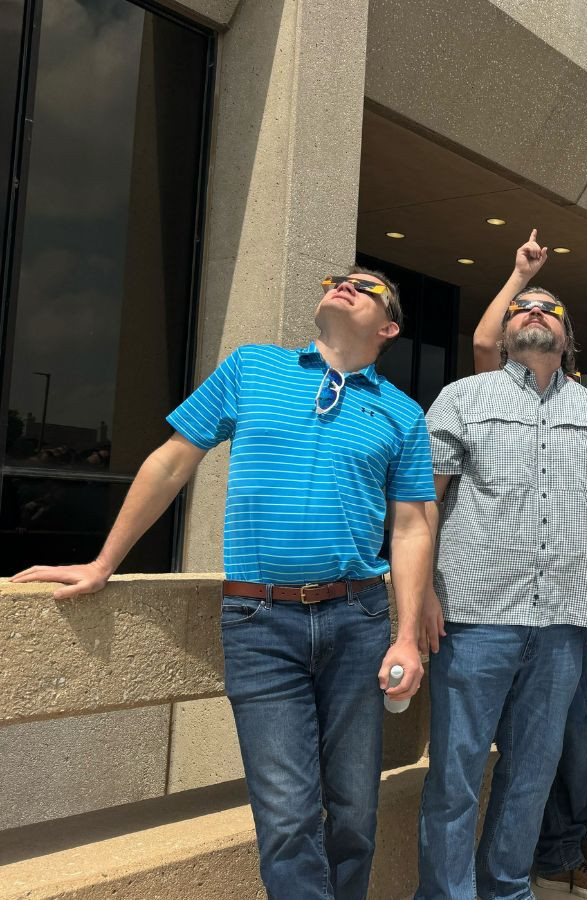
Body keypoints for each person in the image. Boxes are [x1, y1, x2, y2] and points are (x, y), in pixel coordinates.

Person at [16, 270, 436, 900]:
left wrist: (405, 636)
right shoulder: (252, 368)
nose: (346, 284)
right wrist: (104, 562)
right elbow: (169, 462)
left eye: (365, 285)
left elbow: (410, 529)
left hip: (359, 622)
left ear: (389, 327)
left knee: (354, 810)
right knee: (288, 819)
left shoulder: (401, 412)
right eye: (337, 278)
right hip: (258, 624)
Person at [417, 242, 587, 897]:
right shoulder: (463, 398)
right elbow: (422, 503)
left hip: (564, 627)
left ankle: (507, 887)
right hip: (473, 619)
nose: (534, 312)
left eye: (548, 308)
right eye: (522, 308)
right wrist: (422, 594)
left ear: (567, 337)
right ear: (508, 330)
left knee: (531, 775)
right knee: (456, 772)